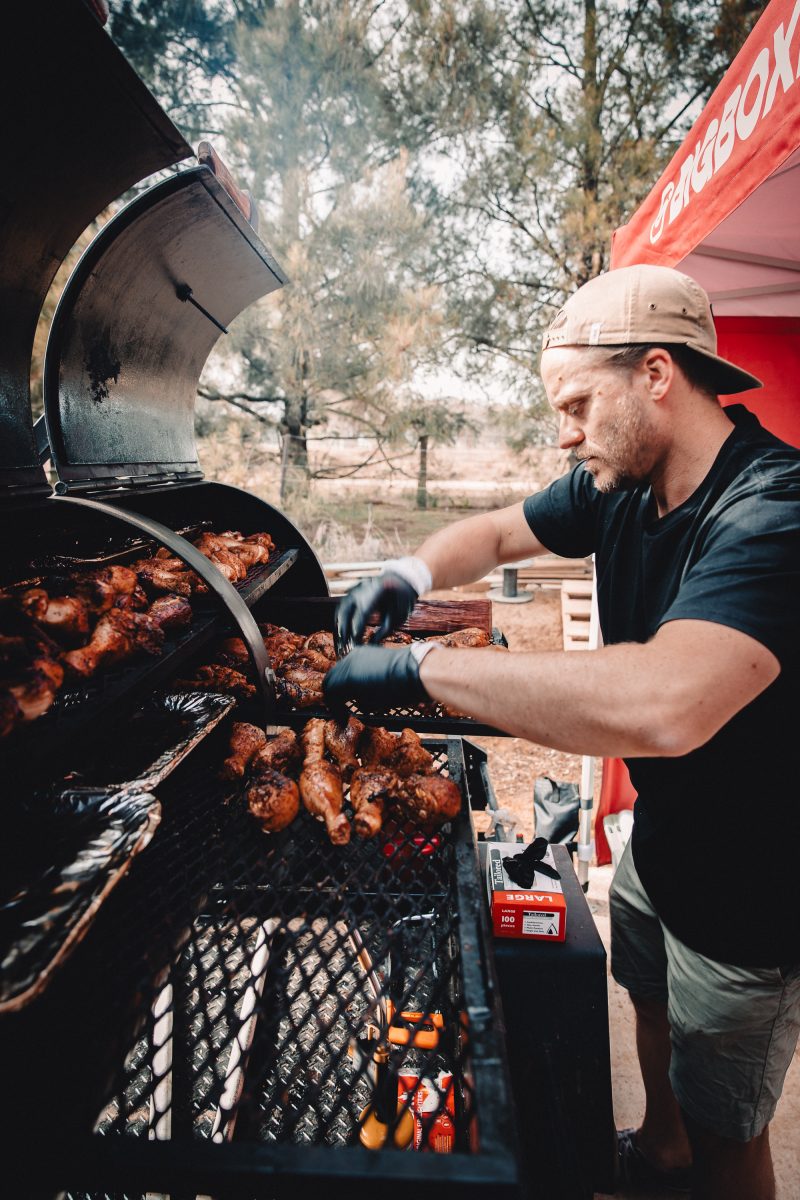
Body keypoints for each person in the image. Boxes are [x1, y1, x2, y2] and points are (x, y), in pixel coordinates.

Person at [324, 264, 800, 1200]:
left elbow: (667, 702)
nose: (564, 430)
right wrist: (411, 575)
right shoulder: (621, 480)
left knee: (728, 1122)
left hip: (753, 883)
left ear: (656, 374)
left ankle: (695, 1158)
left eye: (578, 402)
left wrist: (423, 669)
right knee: (649, 1006)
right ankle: (657, 1153)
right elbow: (502, 533)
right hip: (662, 843)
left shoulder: (772, 511)